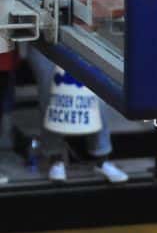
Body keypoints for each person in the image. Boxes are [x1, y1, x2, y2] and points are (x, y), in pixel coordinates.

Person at [25, 46, 129, 184]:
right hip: (45, 40)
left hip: (83, 37)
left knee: (97, 96)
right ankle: (55, 159)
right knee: (51, 98)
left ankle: (102, 160)